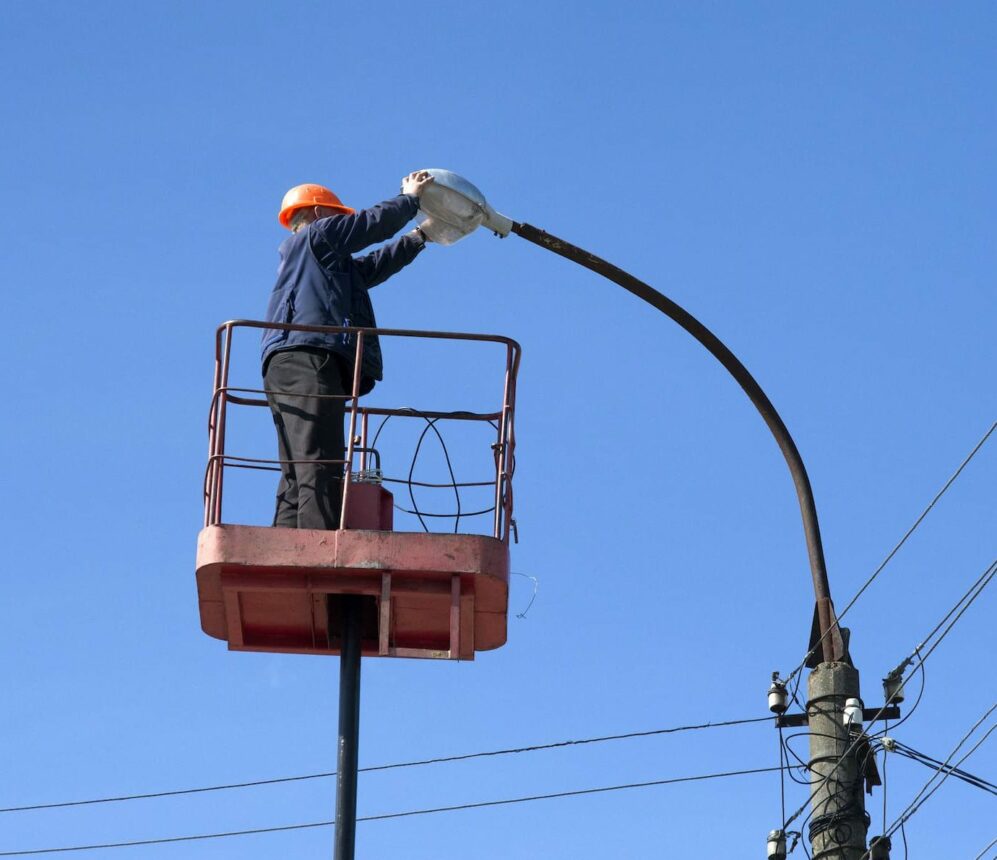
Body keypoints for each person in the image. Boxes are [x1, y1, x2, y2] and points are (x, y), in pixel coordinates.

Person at [260, 172, 434, 530]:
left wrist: (421, 236)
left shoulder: (318, 260)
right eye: (337, 215)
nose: (342, 221)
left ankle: (286, 543)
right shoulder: (318, 236)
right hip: (309, 357)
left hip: (289, 361)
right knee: (320, 462)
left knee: (297, 467)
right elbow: (370, 225)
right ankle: (319, 546)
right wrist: (410, 199)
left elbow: (371, 268)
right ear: (318, 213)